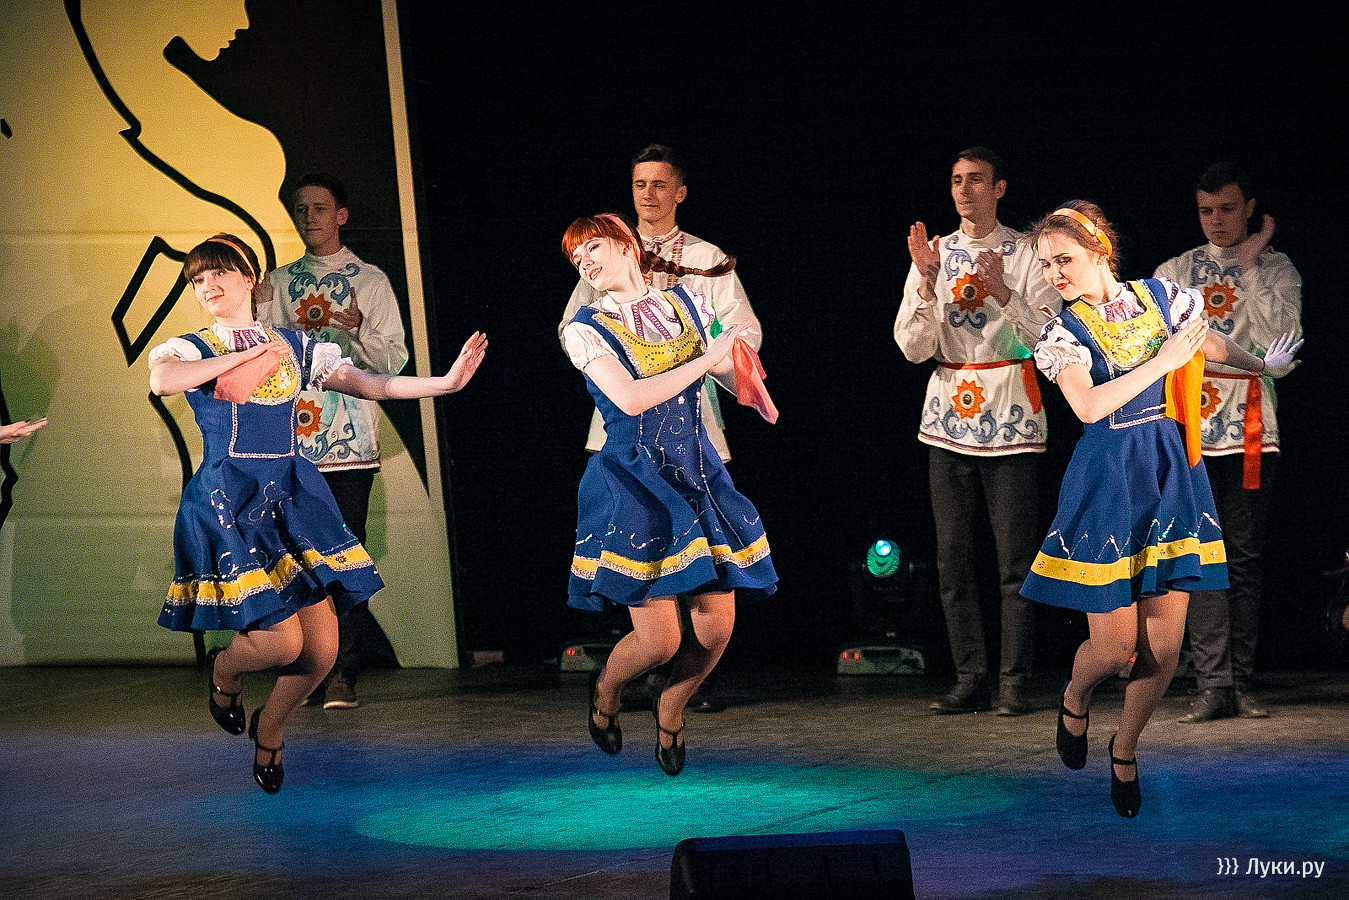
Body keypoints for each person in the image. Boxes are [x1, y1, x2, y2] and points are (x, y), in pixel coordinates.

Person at [149, 234, 485, 793]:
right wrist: (247, 355)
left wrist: (442, 384)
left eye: (219, 274)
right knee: (281, 644)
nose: (207, 286)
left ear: (250, 278)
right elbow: (162, 380)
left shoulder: (293, 345)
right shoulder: (193, 346)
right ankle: (224, 670)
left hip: (290, 494)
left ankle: (271, 728)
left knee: (322, 653)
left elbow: (368, 383)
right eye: (198, 279)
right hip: (231, 497)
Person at [1019, 201, 1300, 818]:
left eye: (1064, 260)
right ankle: (1075, 696)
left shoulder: (1161, 297)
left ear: (1100, 251)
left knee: (1163, 651)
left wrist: (1262, 367)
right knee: (1114, 648)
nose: (1055, 274)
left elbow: (1209, 342)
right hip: (1109, 480)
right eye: (1046, 265)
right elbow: (1088, 407)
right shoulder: (1063, 333)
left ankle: (1125, 747)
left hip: (1170, 474)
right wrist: (1163, 361)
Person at [560, 214, 776, 776]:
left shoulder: (687, 305)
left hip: (695, 470)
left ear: (625, 245)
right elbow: (632, 398)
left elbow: (728, 373)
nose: (586, 262)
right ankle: (607, 690)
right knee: (659, 641)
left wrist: (740, 364)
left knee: (716, 629)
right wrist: (706, 357)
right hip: (634, 480)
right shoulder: (584, 328)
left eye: (593, 248)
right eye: (577, 258)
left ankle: (672, 707)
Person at [894, 147, 1060, 716]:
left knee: (1015, 561)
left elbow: (1048, 338)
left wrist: (1004, 292)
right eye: (956, 180)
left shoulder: (1027, 253)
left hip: (1011, 410)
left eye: (975, 180)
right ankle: (970, 677)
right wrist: (925, 282)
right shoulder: (936, 253)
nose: (964, 189)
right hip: (948, 415)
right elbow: (911, 348)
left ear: (999, 188)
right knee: (952, 561)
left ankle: (1013, 681)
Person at [1153, 164, 1303, 723]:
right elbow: (1157, 344)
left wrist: (1251, 267)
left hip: (1250, 424)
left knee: (1242, 556)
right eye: (1206, 210)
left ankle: (1240, 681)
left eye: (1227, 209)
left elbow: (1279, 343)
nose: (1216, 220)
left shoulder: (1277, 268)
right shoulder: (1174, 272)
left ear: (1249, 208)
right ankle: (1212, 683)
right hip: (1192, 424)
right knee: (1201, 555)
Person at [258, 173, 409, 710]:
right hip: (292, 441)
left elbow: (394, 361)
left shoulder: (369, 280)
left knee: (344, 555)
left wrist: (359, 328)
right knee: (294, 556)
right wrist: (259, 311)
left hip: (349, 445)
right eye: (302, 209)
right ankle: (307, 669)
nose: (310, 218)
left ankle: (343, 671)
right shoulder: (278, 282)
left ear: (341, 215)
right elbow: (261, 355)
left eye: (320, 208)